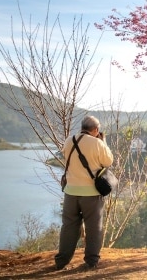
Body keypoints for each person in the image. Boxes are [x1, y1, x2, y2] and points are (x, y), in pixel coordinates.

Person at [54, 115, 114, 271]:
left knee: (68, 227)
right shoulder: (97, 143)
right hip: (91, 194)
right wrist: (103, 141)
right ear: (96, 129)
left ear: (82, 127)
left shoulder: (68, 141)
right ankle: (91, 261)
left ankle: (61, 261)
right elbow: (108, 161)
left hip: (71, 192)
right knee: (94, 228)